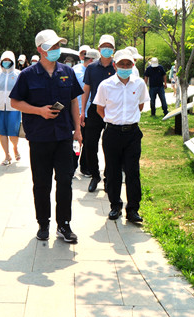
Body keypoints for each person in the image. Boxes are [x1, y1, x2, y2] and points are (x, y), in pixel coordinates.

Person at [10, 29, 82, 243]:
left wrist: (78, 130)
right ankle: (43, 223)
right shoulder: (27, 75)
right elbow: (15, 102)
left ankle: (64, 224)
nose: (56, 49)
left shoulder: (67, 72)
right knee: (41, 183)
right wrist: (39, 111)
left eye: (58, 45)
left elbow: (74, 101)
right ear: (40, 49)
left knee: (65, 181)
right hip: (39, 137)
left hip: (63, 136)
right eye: (52, 46)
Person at [94, 49, 149, 223]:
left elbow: (140, 105)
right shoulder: (105, 85)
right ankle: (115, 205)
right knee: (113, 171)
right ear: (114, 65)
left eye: (128, 64)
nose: (125, 67)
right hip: (112, 133)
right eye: (121, 64)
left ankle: (132, 209)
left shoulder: (139, 84)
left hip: (132, 133)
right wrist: (114, 120)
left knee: (133, 172)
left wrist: (128, 119)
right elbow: (100, 109)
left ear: (133, 65)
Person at [80, 34, 116, 193]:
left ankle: (109, 177)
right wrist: (82, 111)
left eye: (109, 47)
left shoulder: (117, 67)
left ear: (113, 49)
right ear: (99, 48)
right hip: (94, 110)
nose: (106, 49)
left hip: (112, 110)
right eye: (104, 46)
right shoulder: (92, 68)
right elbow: (86, 89)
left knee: (110, 146)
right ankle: (95, 175)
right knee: (90, 144)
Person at [71, 45, 92, 177]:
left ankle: (85, 167)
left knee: (88, 141)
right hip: (77, 110)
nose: (85, 55)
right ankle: (72, 166)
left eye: (87, 53)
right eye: (83, 53)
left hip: (91, 111)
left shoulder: (95, 70)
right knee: (76, 140)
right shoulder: (75, 70)